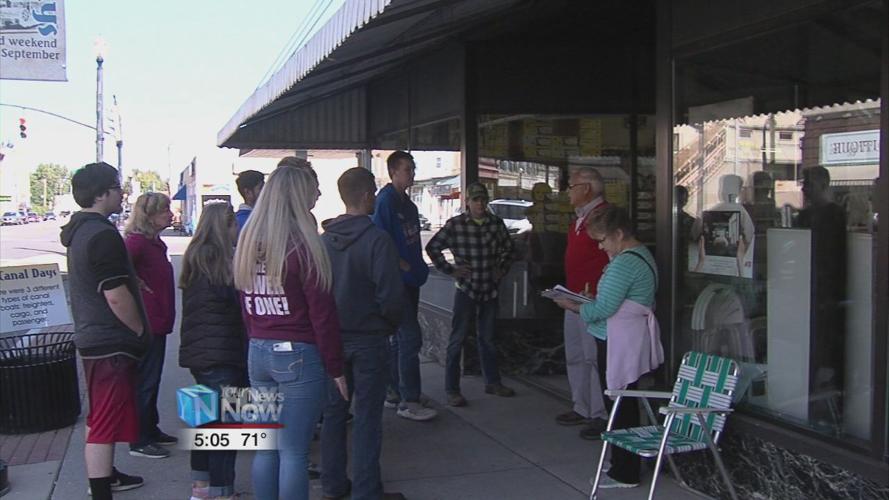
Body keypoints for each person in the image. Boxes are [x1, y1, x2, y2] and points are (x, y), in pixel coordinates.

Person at [233, 160, 348, 500]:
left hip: (259, 350)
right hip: (298, 353)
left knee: (266, 448)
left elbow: (244, 304)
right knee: (294, 451)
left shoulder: (249, 241)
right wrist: (336, 367)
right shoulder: (303, 244)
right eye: (313, 189)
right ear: (299, 194)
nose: (318, 194)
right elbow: (322, 314)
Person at [554, 206, 664, 489]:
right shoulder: (641, 257)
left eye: (603, 240)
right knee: (621, 401)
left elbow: (603, 309)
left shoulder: (625, 263)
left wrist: (575, 306)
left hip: (617, 341)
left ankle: (624, 471)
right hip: (626, 337)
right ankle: (620, 460)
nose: (601, 247)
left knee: (618, 405)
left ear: (618, 234)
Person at [60, 162, 146, 499]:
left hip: (94, 338)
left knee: (100, 415)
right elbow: (114, 294)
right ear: (102, 193)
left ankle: (108, 475)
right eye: (116, 186)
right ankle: (101, 489)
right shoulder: (102, 235)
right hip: (110, 342)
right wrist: (139, 330)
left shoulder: (80, 231)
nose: (120, 192)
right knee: (104, 422)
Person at [320, 167, 407, 500]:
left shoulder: (324, 241)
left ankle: (333, 485)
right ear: (367, 194)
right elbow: (391, 296)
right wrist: (387, 326)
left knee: (334, 415)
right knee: (368, 418)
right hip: (370, 339)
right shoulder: (377, 240)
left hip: (333, 340)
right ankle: (367, 491)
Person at [425, 182, 516, 407]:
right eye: (476, 200)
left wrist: (501, 268)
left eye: (483, 200)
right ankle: (452, 389)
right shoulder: (456, 225)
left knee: (488, 338)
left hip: (489, 289)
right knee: (457, 340)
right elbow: (433, 247)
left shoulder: (496, 223)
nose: (480, 204)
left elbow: (509, 248)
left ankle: (492, 382)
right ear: (468, 202)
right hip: (466, 290)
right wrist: (452, 271)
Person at [179, 203, 247, 500]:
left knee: (204, 425)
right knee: (225, 431)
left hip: (199, 355)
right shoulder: (222, 263)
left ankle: (201, 490)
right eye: (234, 225)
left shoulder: (195, 258)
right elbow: (239, 306)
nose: (238, 231)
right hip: (224, 353)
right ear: (226, 226)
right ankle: (222, 492)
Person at [372, 151, 437, 421]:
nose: (412, 174)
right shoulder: (385, 202)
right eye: (407, 169)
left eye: (413, 169)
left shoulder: (407, 204)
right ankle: (409, 400)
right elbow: (381, 240)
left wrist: (415, 268)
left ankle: (396, 391)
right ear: (393, 172)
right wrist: (402, 265)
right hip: (397, 281)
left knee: (400, 341)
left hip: (411, 280)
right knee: (410, 338)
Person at [557, 166, 610, 440]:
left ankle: (599, 413)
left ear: (586, 188)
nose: (568, 192)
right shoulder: (579, 219)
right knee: (576, 355)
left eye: (572, 186)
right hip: (573, 296)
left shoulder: (603, 217)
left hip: (595, 299)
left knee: (593, 357)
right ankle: (581, 405)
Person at [123, 192, 177, 459]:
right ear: (149, 214)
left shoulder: (154, 243)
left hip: (159, 318)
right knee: (145, 379)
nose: (170, 214)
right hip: (147, 321)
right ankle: (139, 438)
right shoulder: (137, 243)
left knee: (151, 378)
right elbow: (120, 269)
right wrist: (139, 287)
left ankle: (150, 428)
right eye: (164, 210)